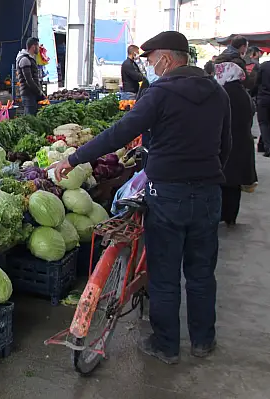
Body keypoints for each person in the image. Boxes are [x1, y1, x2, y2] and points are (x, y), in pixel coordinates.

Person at [51, 31, 231, 365]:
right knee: (202, 272)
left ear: (165, 58)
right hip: (207, 194)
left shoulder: (161, 93)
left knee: (164, 274)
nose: (148, 66)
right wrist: (206, 174)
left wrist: (74, 158)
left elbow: (121, 132)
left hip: (168, 195)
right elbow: (226, 145)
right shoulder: (217, 93)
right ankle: (203, 340)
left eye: (150, 60)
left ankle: (166, 345)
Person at [214, 62, 257, 225]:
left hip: (228, 142)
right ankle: (231, 217)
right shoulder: (241, 92)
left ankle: (223, 214)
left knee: (225, 181)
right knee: (234, 183)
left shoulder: (224, 92)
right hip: (242, 143)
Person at [16, 37, 46, 115]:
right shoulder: (25, 59)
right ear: (33, 46)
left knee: (32, 117)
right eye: (38, 46)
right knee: (30, 119)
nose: (39, 49)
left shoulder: (30, 58)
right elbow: (29, 80)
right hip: (28, 94)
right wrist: (39, 92)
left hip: (32, 94)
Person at [255, 59, 270, 157]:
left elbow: (256, 82)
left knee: (263, 123)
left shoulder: (264, 66)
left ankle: (267, 147)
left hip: (264, 97)